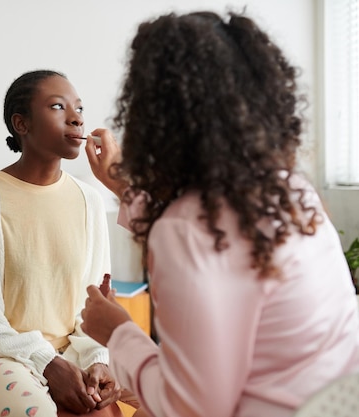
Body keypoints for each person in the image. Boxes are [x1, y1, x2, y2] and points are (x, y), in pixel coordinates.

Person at [80, 11, 359, 417]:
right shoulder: (292, 191)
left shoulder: (185, 229)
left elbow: (193, 406)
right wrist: (124, 187)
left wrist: (119, 332)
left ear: (155, 117)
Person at [0, 69, 123, 416]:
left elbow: (93, 305)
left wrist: (98, 359)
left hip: (70, 351)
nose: (76, 118)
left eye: (79, 108)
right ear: (22, 124)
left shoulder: (90, 201)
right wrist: (46, 363)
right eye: (58, 107)